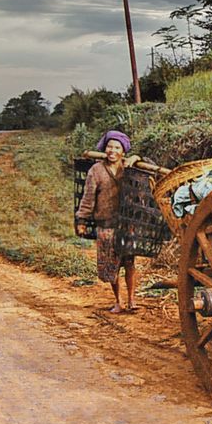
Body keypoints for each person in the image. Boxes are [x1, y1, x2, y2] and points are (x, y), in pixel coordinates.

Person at [75, 130, 140, 314]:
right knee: (112, 266)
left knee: (129, 263)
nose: (112, 151)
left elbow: (147, 167)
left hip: (127, 224)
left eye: (117, 147)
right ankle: (118, 301)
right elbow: (88, 198)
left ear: (123, 151)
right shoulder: (96, 170)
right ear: (104, 149)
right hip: (106, 224)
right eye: (109, 147)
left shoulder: (128, 167)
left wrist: (135, 157)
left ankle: (132, 300)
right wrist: (82, 219)